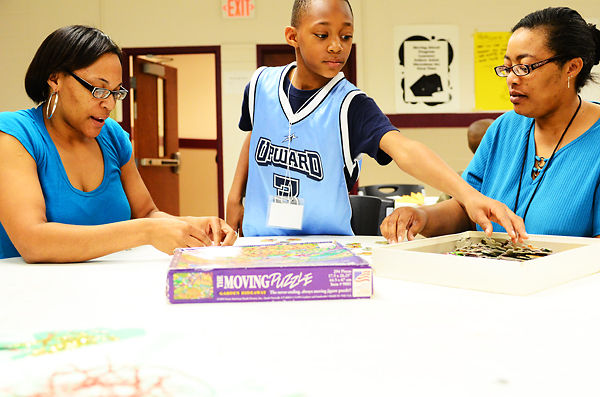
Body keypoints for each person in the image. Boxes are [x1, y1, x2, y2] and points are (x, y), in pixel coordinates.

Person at [226, 0, 526, 240]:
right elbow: (256, 135)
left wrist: (469, 196)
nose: (336, 46)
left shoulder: (351, 105)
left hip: (325, 245)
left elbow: (405, 150)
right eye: (322, 35)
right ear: (292, 36)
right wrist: (235, 196)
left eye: (346, 36)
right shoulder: (260, 83)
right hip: (259, 238)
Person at [0, 25, 236, 262]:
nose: (109, 104)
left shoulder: (112, 135)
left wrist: (191, 225)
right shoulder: (16, 135)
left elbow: (145, 213)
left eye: (115, 92)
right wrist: (146, 232)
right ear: (55, 79)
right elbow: (32, 242)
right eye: (99, 89)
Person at [381, 7, 600, 242]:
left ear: (572, 67)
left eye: (524, 67)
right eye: (508, 67)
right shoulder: (504, 129)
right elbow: (466, 209)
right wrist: (421, 216)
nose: (512, 79)